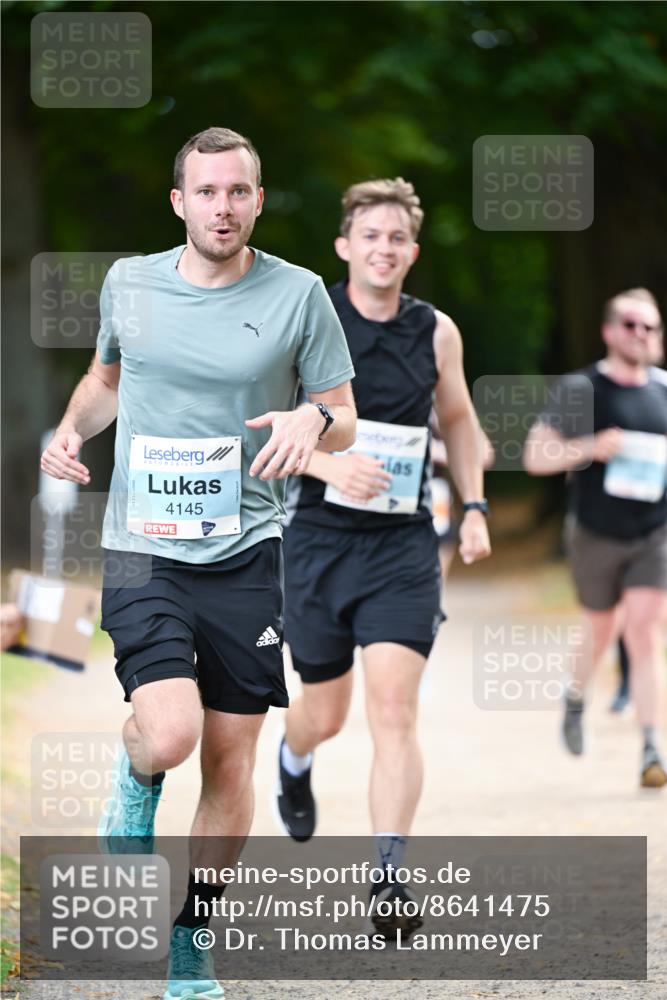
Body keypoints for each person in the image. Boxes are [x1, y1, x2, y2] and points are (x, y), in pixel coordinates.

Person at [40, 126, 356, 1000]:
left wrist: (312, 424)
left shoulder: (298, 295)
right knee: (170, 733)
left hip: (248, 549)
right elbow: (106, 380)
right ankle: (136, 782)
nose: (223, 206)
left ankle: (191, 942)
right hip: (144, 548)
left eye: (238, 191)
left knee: (228, 757)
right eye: (206, 192)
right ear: (179, 201)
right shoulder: (129, 282)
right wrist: (71, 431)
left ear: (258, 198)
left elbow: (341, 410)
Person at [275, 178, 491, 937]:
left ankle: (389, 872)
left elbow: (458, 420)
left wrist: (472, 505)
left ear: (412, 252)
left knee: (393, 711)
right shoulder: (310, 321)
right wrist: (329, 465)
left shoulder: (436, 331)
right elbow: (262, 431)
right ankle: (293, 759)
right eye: (370, 235)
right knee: (325, 714)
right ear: (344, 246)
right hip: (318, 543)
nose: (384, 248)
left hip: (402, 543)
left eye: (397, 237)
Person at [523, 288, 667, 789]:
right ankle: (576, 695)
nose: (641, 334)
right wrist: (590, 447)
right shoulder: (581, 389)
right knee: (600, 629)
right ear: (609, 331)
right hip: (595, 533)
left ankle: (652, 748)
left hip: (654, 534)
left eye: (649, 326)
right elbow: (535, 457)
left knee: (646, 632)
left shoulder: (664, 391)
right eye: (630, 324)